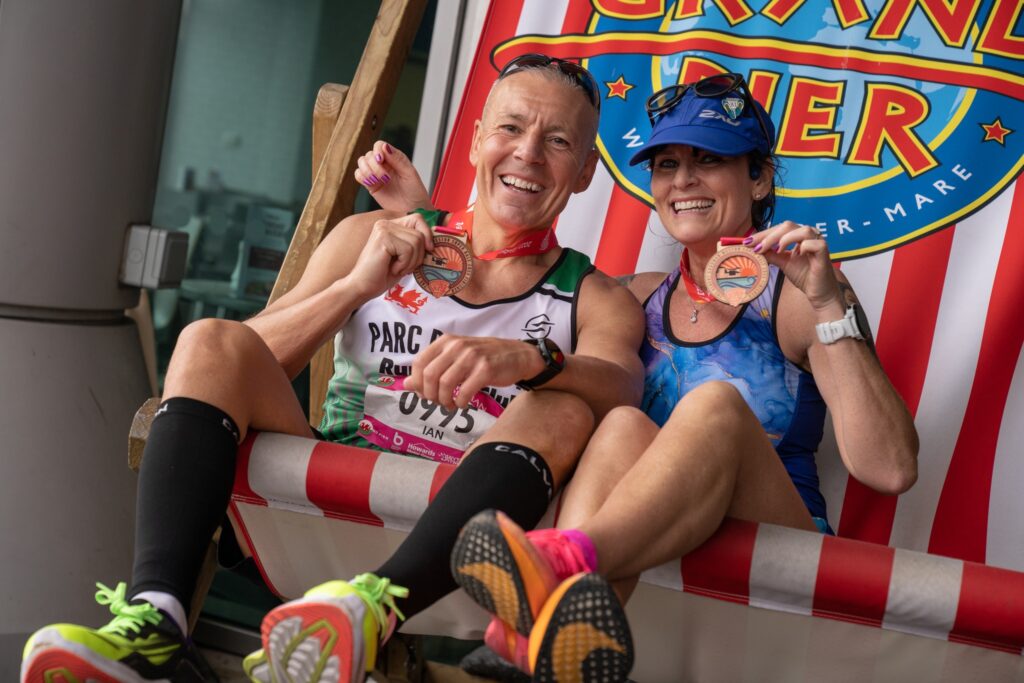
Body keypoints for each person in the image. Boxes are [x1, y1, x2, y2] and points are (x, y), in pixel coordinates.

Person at [20, 55, 645, 683]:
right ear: (479, 137)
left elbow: (624, 385)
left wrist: (531, 361)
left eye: (558, 141)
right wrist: (354, 286)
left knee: (563, 403)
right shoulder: (376, 235)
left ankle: (373, 607)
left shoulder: (596, 298)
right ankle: (157, 625)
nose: (529, 153)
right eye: (511, 128)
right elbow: (226, 361)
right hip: (317, 512)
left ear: (586, 171)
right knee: (208, 336)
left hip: (466, 548)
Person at [366, 72, 919, 682]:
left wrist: (827, 305)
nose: (682, 180)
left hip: (772, 559)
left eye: (708, 160)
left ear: (758, 177)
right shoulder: (634, 299)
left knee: (714, 407)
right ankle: (550, 635)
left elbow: (888, 467)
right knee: (622, 420)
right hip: (655, 555)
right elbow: (490, 304)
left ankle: (557, 570)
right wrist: (424, 219)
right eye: (666, 163)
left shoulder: (797, 294)